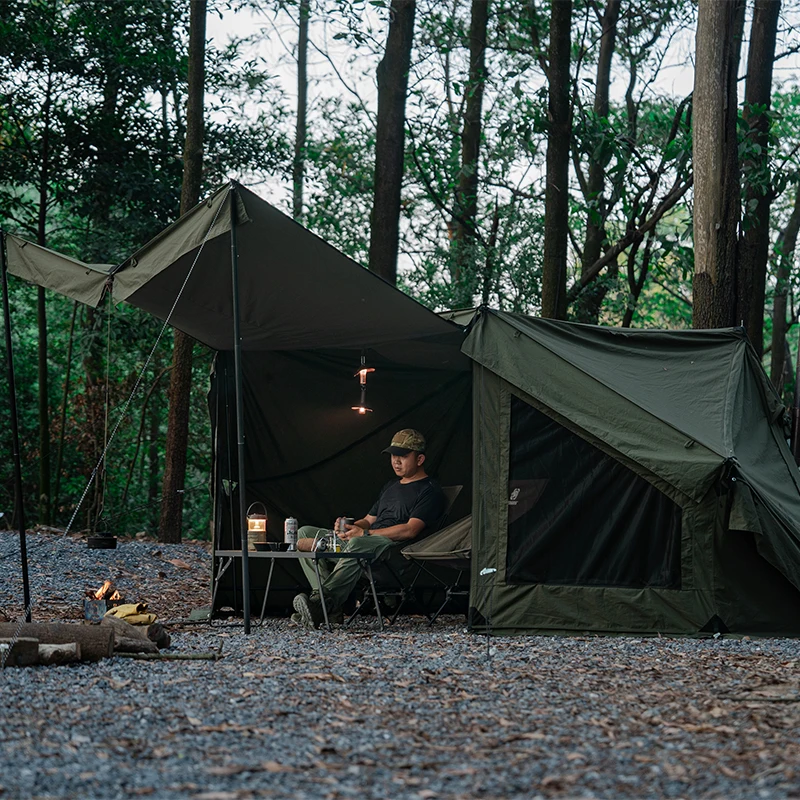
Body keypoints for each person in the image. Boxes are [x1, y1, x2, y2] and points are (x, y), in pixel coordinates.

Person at [291, 429, 446, 629]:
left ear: (420, 459)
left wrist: (364, 534)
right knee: (305, 533)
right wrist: (349, 527)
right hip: (364, 544)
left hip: (393, 552)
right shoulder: (391, 486)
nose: (396, 461)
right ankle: (328, 608)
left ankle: (323, 603)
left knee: (357, 542)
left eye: (403, 456)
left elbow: (410, 530)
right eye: (393, 456)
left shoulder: (430, 491)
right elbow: (368, 520)